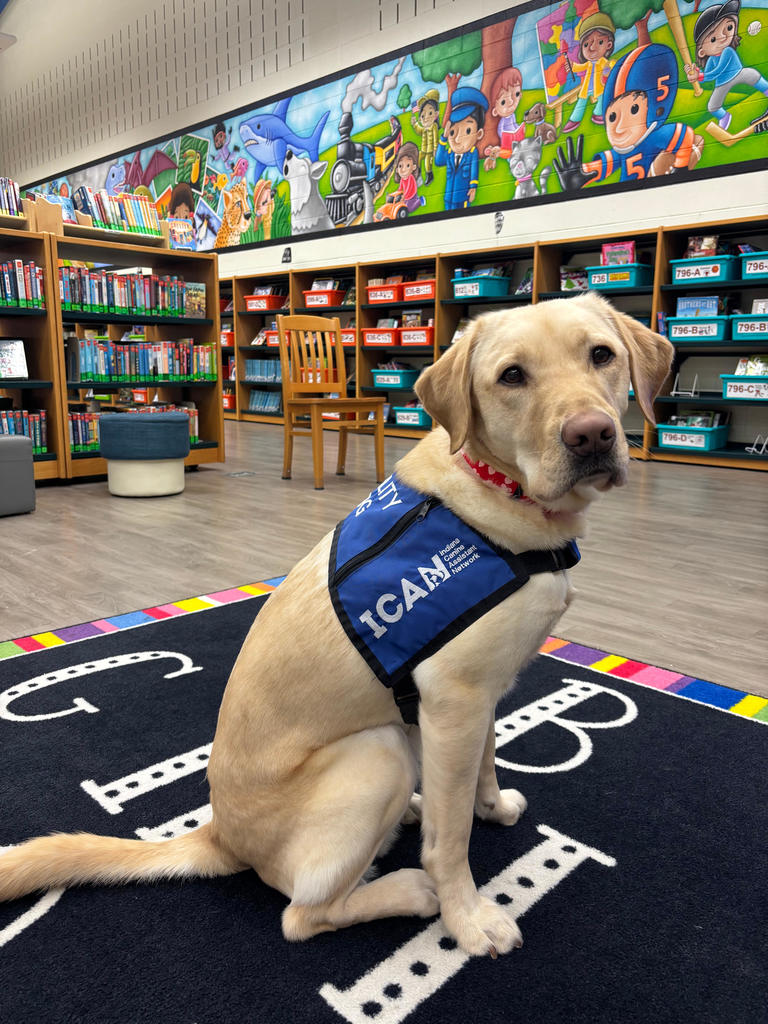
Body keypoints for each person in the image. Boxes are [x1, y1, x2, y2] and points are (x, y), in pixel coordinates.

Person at [554, 44, 704, 190]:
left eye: (634, 109)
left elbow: (685, 135)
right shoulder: (622, 151)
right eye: (612, 117)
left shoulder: (655, 137)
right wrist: (580, 174)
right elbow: (607, 164)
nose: (618, 128)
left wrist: (681, 166)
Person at [684, 0, 768, 130]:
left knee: (754, 75)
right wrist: (694, 76)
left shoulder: (728, 51)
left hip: (738, 74)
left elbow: (717, 71)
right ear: (702, 52)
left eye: (729, 28)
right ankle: (724, 116)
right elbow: (709, 76)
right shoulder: (711, 59)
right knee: (712, 106)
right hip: (722, 83)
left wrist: (699, 76)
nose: (723, 37)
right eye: (713, 39)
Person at [434, 86, 488, 210]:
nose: (457, 139)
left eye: (467, 130)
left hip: (462, 197)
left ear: (479, 134)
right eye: (453, 132)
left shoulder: (472, 153)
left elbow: (474, 171)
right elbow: (438, 161)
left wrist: (473, 188)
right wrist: (444, 137)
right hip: (448, 197)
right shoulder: (449, 154)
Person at [563, 12, 616, 132]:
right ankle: (574, 119)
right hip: (587, 88)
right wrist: (571, 66)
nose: (591, 48)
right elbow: (579, 67)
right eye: (586, 44)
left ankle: (598, 113)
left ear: (609, 45)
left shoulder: (603, 62)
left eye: (600, 42)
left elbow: (611, 65)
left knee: (601, 98)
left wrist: (610, 66)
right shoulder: (588, 64)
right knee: (581, 102)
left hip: (599, 87)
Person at [411, 89, 440, 185]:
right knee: (417, 157)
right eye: (423, 116)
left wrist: (436, 149)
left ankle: (429, 175)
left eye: (430, 113)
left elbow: (436, 139)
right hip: (423, 149)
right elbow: (418, 130)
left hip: (430, 151)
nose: (426, 118)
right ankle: (418, 174)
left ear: (436, 114)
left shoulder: (433, 126)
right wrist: (415, 124)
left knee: (428, 164)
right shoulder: (424, 129)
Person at [389, 142, 423, 213]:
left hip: (412, 195)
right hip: (406, 196)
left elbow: (408, 189)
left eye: (407, 165)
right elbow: (400, 188)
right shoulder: (402, 179)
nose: (403, 170)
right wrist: (398, 193)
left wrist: (404, 196)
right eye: (400, 166)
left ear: (413, 167)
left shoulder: (410, 178)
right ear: (397, 169)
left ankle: (420, 201)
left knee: (408, 209)